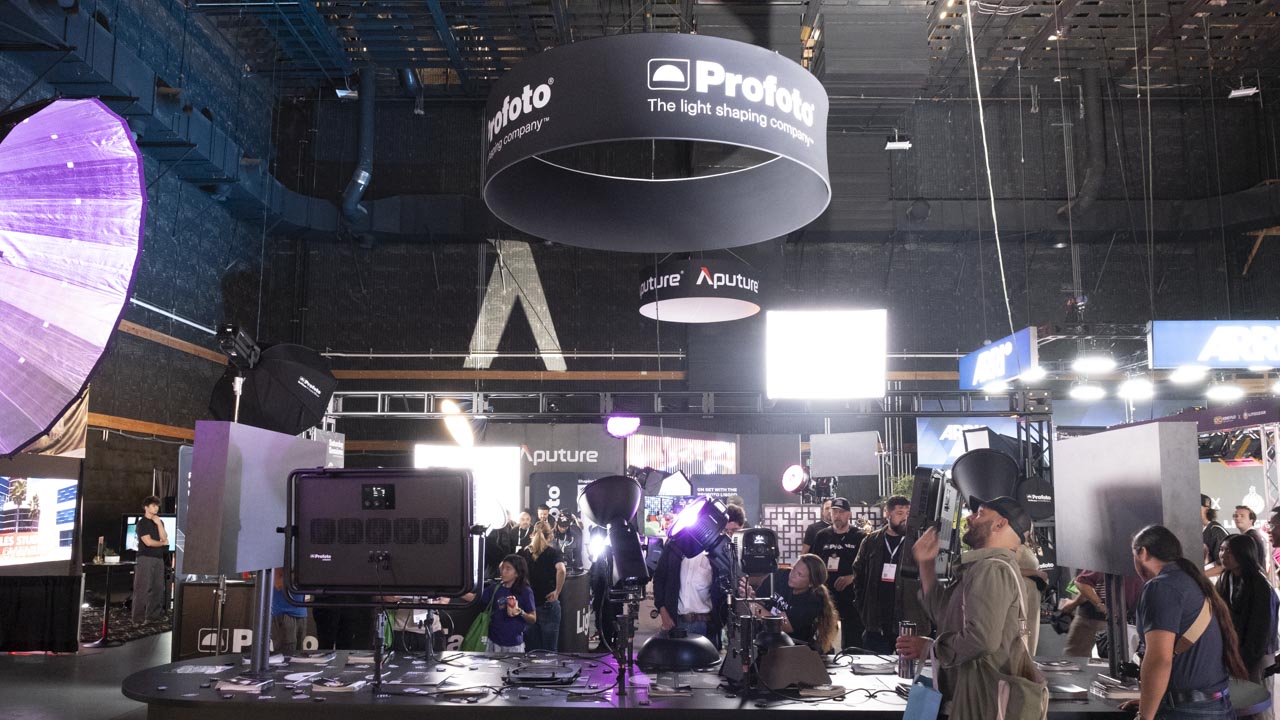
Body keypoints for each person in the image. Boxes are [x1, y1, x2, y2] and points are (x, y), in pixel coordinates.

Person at [896, 496, 1046, 720]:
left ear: (1000, 524)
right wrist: (926, 563)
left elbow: (982, 639)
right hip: (973, 699)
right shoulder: (984, 567)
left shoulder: (991, 569)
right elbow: (944, 614)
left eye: (980, 513)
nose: (970, 518)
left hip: (981, 704)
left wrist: (932, 649)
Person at [1125, 524, 1247, 720]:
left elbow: (1159, 659)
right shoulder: (1190, 580)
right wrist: (1151, 701)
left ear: (1143, 553)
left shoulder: (1160, 587)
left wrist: (1144, 716)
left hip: (1187, 710)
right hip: (1213, 705)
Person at [851, 495, 926, 654]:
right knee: (875, 665)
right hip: (876, 620)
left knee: (906, 667)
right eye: (900, 513)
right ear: (887, 514)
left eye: (908, 513)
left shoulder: (918, 542)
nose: (905, 518)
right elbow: (858, 574)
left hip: (908, 618)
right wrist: (862, 607)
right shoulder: (871, 541)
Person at [653, 526, 734, 649]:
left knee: (707, 660)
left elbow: (727, 586)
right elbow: (659, 578)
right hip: (676, 622)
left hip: (706, 625)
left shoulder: (718, 551)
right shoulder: (675, 546)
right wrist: (663, 611)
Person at [1215, 533, 1278, 686]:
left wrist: (1243, 660)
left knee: (1258, 696)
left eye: (1230, 551)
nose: (1224, 555)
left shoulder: (1260, 585)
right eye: (1222, 550)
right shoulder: (1226, 578)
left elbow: (1260, 631)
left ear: (1244, 553)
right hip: (1234, 653)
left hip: (1257, 655)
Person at [751, 553, 840, 653]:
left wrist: (751, 604)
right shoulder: (781, 575)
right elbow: (761, 600)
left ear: (811, 583)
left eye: (799, 574)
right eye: (793, 569)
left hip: (794, 647)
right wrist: (750, 595)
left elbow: (779, 625)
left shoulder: (813, 601)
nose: (792, 575)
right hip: (766, 640)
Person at [809, 497, 866, 651]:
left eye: (841, 512)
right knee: (823, 639)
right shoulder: (822, 535)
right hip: (827, 594)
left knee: (853, 640)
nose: (837, 515)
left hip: (851, 595)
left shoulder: (859, 536)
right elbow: (814, 562)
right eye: (834, 512)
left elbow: (867, 567)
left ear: (849, 514)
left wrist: (852, 578)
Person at [1061, 569, 1144, 657]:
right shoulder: (1139, 566)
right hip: (1125, 619)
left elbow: (1082, 583)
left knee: (1075, 655)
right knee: (1117, 656)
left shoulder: (1107, 563)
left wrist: (1073, 604)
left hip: (1093, 617)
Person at [473, 554, 537, 654]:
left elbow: (533, 618)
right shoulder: (495, 588)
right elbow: (475, 597)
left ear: (517, 573)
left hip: (514, 644)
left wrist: (520, 612)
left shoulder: (525, 591)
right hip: (492, 641)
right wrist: (456, 594)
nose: (503, 572)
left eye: (508, 569)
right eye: (502, 568)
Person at [519, 521, 566, 651]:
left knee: (531, 650)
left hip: (529, 606)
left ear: (532, 534)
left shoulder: (525, 552)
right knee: (549, 650)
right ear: (550, 536)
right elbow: (561, 570)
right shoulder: (554, 552)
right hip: (548, 603)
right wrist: (557, 591)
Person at [131, 496, 168, 623]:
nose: (156, 508)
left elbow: (164, 537)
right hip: (145, 558)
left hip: (159, 558)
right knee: (142, 588)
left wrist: (159, 524)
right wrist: (162, 543)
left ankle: (153, 617)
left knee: (158, 588)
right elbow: (148, 542)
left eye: (157, 506)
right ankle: (138, 619)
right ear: (146, 507)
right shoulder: (142, 523)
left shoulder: (159, 522)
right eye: (153, 505)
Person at [270, 567, 308, 654]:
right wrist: (298, 573)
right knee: (286, 654)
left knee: (299, 654)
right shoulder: (279, 560)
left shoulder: (305, 562)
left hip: (301, 612)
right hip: (284, 613)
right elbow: (278, 584)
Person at [1202, 495, 1230, 578]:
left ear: (1206, 509)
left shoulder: (1216, 530)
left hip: (1214, 581)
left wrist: (1200, 577)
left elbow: (1224, 565)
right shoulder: (1197, 530)